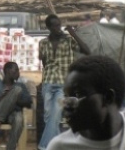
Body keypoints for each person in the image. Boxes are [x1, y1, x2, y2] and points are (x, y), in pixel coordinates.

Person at [47, 55, 125, 150]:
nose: (67, 105)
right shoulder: (60, 146)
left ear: (108, 98)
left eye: (77, 94)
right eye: (66, 96)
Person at [38, 14, 91, 150]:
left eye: (59, 25)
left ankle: (44, 147)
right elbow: (45, 63)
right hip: (48, 82)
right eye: (55, 25)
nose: (58, 28)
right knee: (50, 117)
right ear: (48, 27)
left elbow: (87, 51)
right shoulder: (42, 43)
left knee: (55, 115)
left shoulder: (68, 40)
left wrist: (73, 33)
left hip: (63, 82)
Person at [0, 62, 33, 150]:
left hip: (13, 115)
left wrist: (14, 100)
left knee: (19, 118)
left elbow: (29, 102)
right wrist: (0, 99)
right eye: (16, 70)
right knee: (16, 90)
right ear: (8, 71)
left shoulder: (21, 85)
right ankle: (0, 118)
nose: (18, 73)